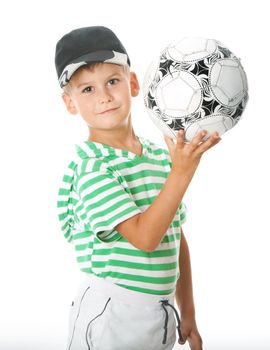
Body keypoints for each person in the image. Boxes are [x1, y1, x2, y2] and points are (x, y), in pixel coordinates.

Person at [55, 26, 221, 350]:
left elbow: (175, 237)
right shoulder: (93, 167)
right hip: (112, 316)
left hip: (160, 313)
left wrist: (188, 312)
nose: (103, 96)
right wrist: (182, 174)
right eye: (87, 89)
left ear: (132, 83)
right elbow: (146, 239)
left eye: (112, 82)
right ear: (70, 103)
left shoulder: (158, 154)